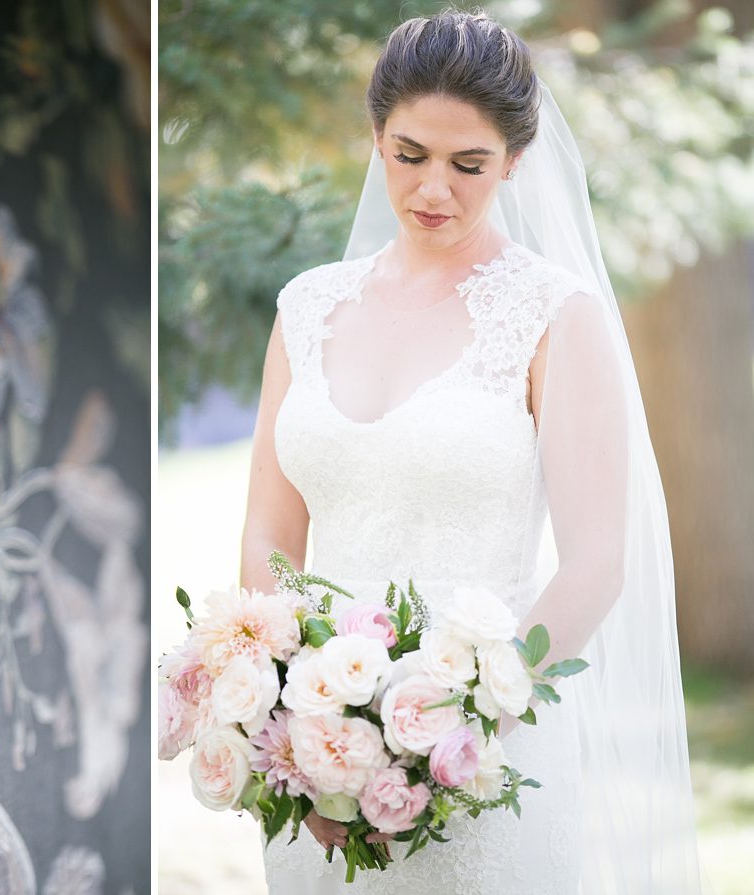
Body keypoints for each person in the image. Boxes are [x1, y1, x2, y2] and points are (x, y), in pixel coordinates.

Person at [242, 10, 706, 893]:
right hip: (315, 757)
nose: (433, 190)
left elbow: (598, 562)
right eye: (410, 154)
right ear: (377, 136)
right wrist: (288, 701)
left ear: (515, 162)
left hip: (478, 763)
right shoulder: (307, 306)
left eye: (470, 165)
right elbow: (270, 525)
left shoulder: (555, 316)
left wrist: (449, 723)